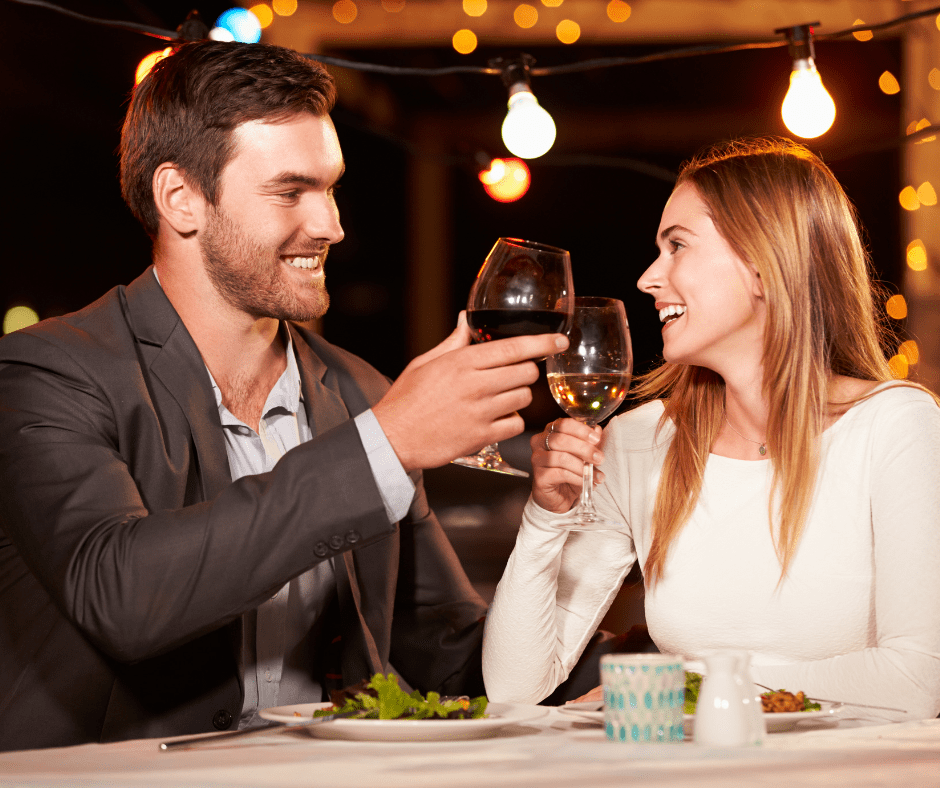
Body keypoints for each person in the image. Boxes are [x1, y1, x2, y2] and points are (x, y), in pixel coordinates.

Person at [0, 40, 568, 751]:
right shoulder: (48, 371)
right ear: (181, 199)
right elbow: (120, 596)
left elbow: (449, 651)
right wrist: (384, 445)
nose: (331, 224)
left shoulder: (360, 390)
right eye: (290, 191)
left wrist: (665, 658)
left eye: (330, 188)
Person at [482, 137, 940, 722]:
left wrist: (686, 680)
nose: (649, 278)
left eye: (678, 247)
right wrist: (547, 518)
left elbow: (918, 678)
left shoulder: (895, 426)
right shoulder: (639, 443)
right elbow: (514, 686)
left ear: (763, 265)